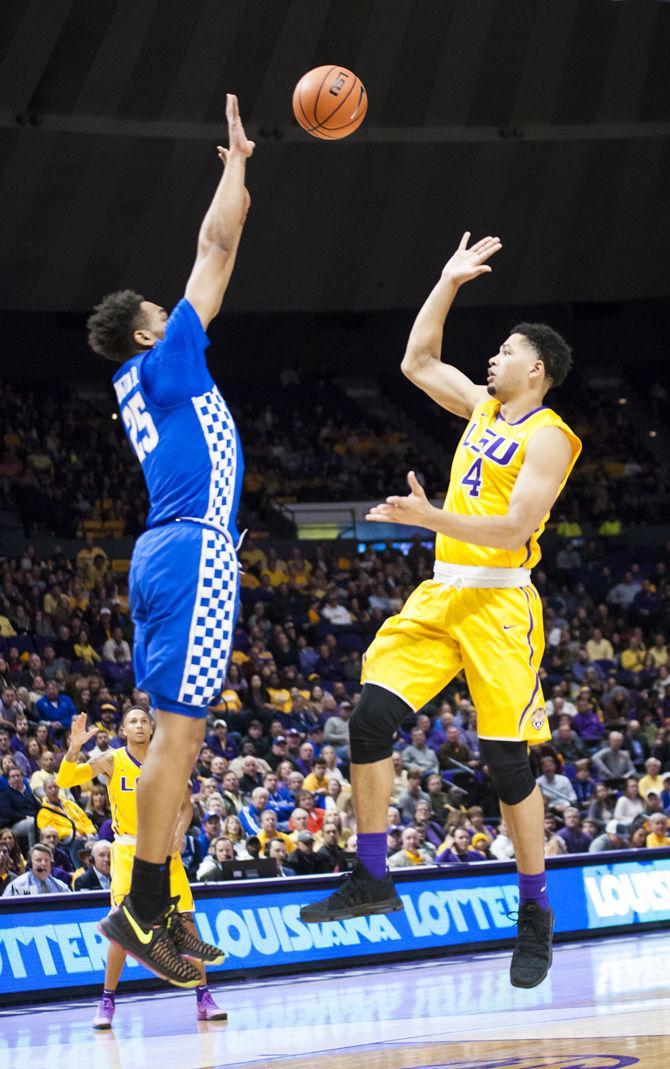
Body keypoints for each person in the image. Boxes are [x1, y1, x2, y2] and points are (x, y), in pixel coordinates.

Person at [300, 232, 581, 992]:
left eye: (504, 350)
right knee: (366, 720)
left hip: (499, 606)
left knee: (505, 762)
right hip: (442, 593)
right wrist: (447, 281)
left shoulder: (552, 438)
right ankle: (370, 874)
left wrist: (429, 519)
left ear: (538, 369)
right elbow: (418, 362)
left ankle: (535, 915)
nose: (491, 359)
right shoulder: (483, 407)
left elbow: (513, 532)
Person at [85, 95, 254, 986]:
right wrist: (236, 167)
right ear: (150, 330)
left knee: (174, 741)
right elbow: (216, 252)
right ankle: (148, 905)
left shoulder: (137, 381)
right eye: (163, 307)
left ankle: (157, 904)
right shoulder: (164, 362)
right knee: (180, 740)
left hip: (161, 552)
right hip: (193, 550)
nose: (175, 308)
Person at [57, 711, 226, 1025]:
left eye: (143, 721)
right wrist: (74, 748)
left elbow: (186, 807)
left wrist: (176, 836)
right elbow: (64, 780)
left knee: (187, 923)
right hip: (128, 851)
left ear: (152, 727)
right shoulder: (110, 760)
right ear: (123, 730)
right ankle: (106, 1002)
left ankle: (204, 997)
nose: (138, 725)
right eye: (132, 721)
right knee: (122, 930)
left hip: (165, 851)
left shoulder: (169, 759)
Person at [2, 843, 70, 895]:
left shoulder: (60, 886)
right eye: (39, 860)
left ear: (51, 864)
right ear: (30, 864)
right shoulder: (18, 885)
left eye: (46, 860)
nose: (43, 863)